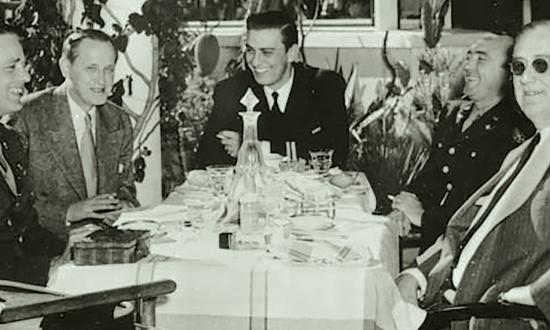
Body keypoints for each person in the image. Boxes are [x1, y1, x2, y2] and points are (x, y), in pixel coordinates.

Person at [397, 20, 550, 329]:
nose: (527, 79)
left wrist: (523, 301)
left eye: (542, 65)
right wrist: (417, 272)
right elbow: (467, 228)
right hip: (449, 302)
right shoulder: (523, 152)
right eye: (519, 67)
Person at [390, 34, 534, 251]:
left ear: (508, 73)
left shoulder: (515, 132)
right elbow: (431, 175)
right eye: (469, 57)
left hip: (466, 254)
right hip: (434, 248)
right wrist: (403, 206)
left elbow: (489, 215)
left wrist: (424, 219)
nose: (468, 67)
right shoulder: (454, 112)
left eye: (481, 59)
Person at [12, 29, 138, 248]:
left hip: (105, 249)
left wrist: (121, 207)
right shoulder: (27, 116)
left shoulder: (119, 121)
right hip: (45, 252)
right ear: (66, 68)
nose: (102, 80)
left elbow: (125, 189)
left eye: (109, 69)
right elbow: (13, 206)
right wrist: (70, 211)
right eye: (91, 68)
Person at [196, 10, 349, 168]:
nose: (255, 62)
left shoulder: (324, 86)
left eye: (266, 52)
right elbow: (207, 161)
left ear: (292, 53)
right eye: (250, 51)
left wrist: (254, 146)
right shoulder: (231, 90)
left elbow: (335, 154)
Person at [0, 25, 64, 286]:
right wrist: (54, 270)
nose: (25, 77)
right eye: (11, 67)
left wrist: (74, 250)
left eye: (23, 66)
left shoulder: (10, 141)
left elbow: (27, 229)